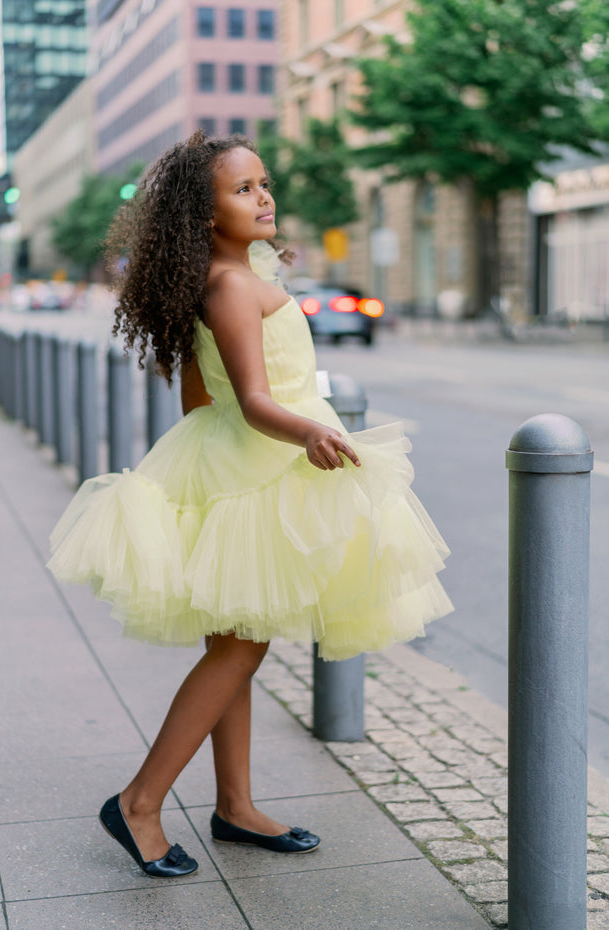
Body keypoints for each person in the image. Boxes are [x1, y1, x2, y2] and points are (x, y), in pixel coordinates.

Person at [48, 132, 453, 879]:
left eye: (264, 184)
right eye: (243, 190)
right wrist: (308, 431)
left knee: (236, 641)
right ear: (203, 216)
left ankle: (234, 806)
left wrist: (210, 465)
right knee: (242, 645)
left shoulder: (235, 272)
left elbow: (203, 395)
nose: (264, 197)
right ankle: (138, 802)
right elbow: (258, 399)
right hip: (262, 468)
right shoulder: (232, 285)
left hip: (237, 466)